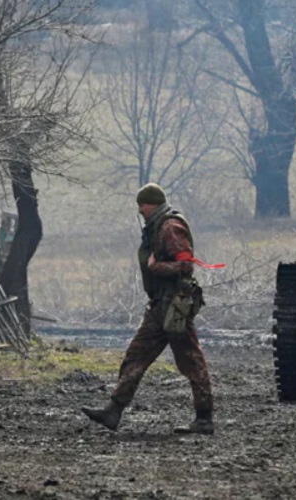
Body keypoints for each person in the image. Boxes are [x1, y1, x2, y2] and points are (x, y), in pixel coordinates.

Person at [81, 183, 215, 434]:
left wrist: (157, 268)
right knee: (136, 355)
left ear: (151, 203)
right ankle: (113, 411)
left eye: (141, 204)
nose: (140, 210)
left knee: (190, 359)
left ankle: (204, 418)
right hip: (160, 305)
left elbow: (186, 266)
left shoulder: (170, 227)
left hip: (175, 304)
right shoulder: (158, 226)